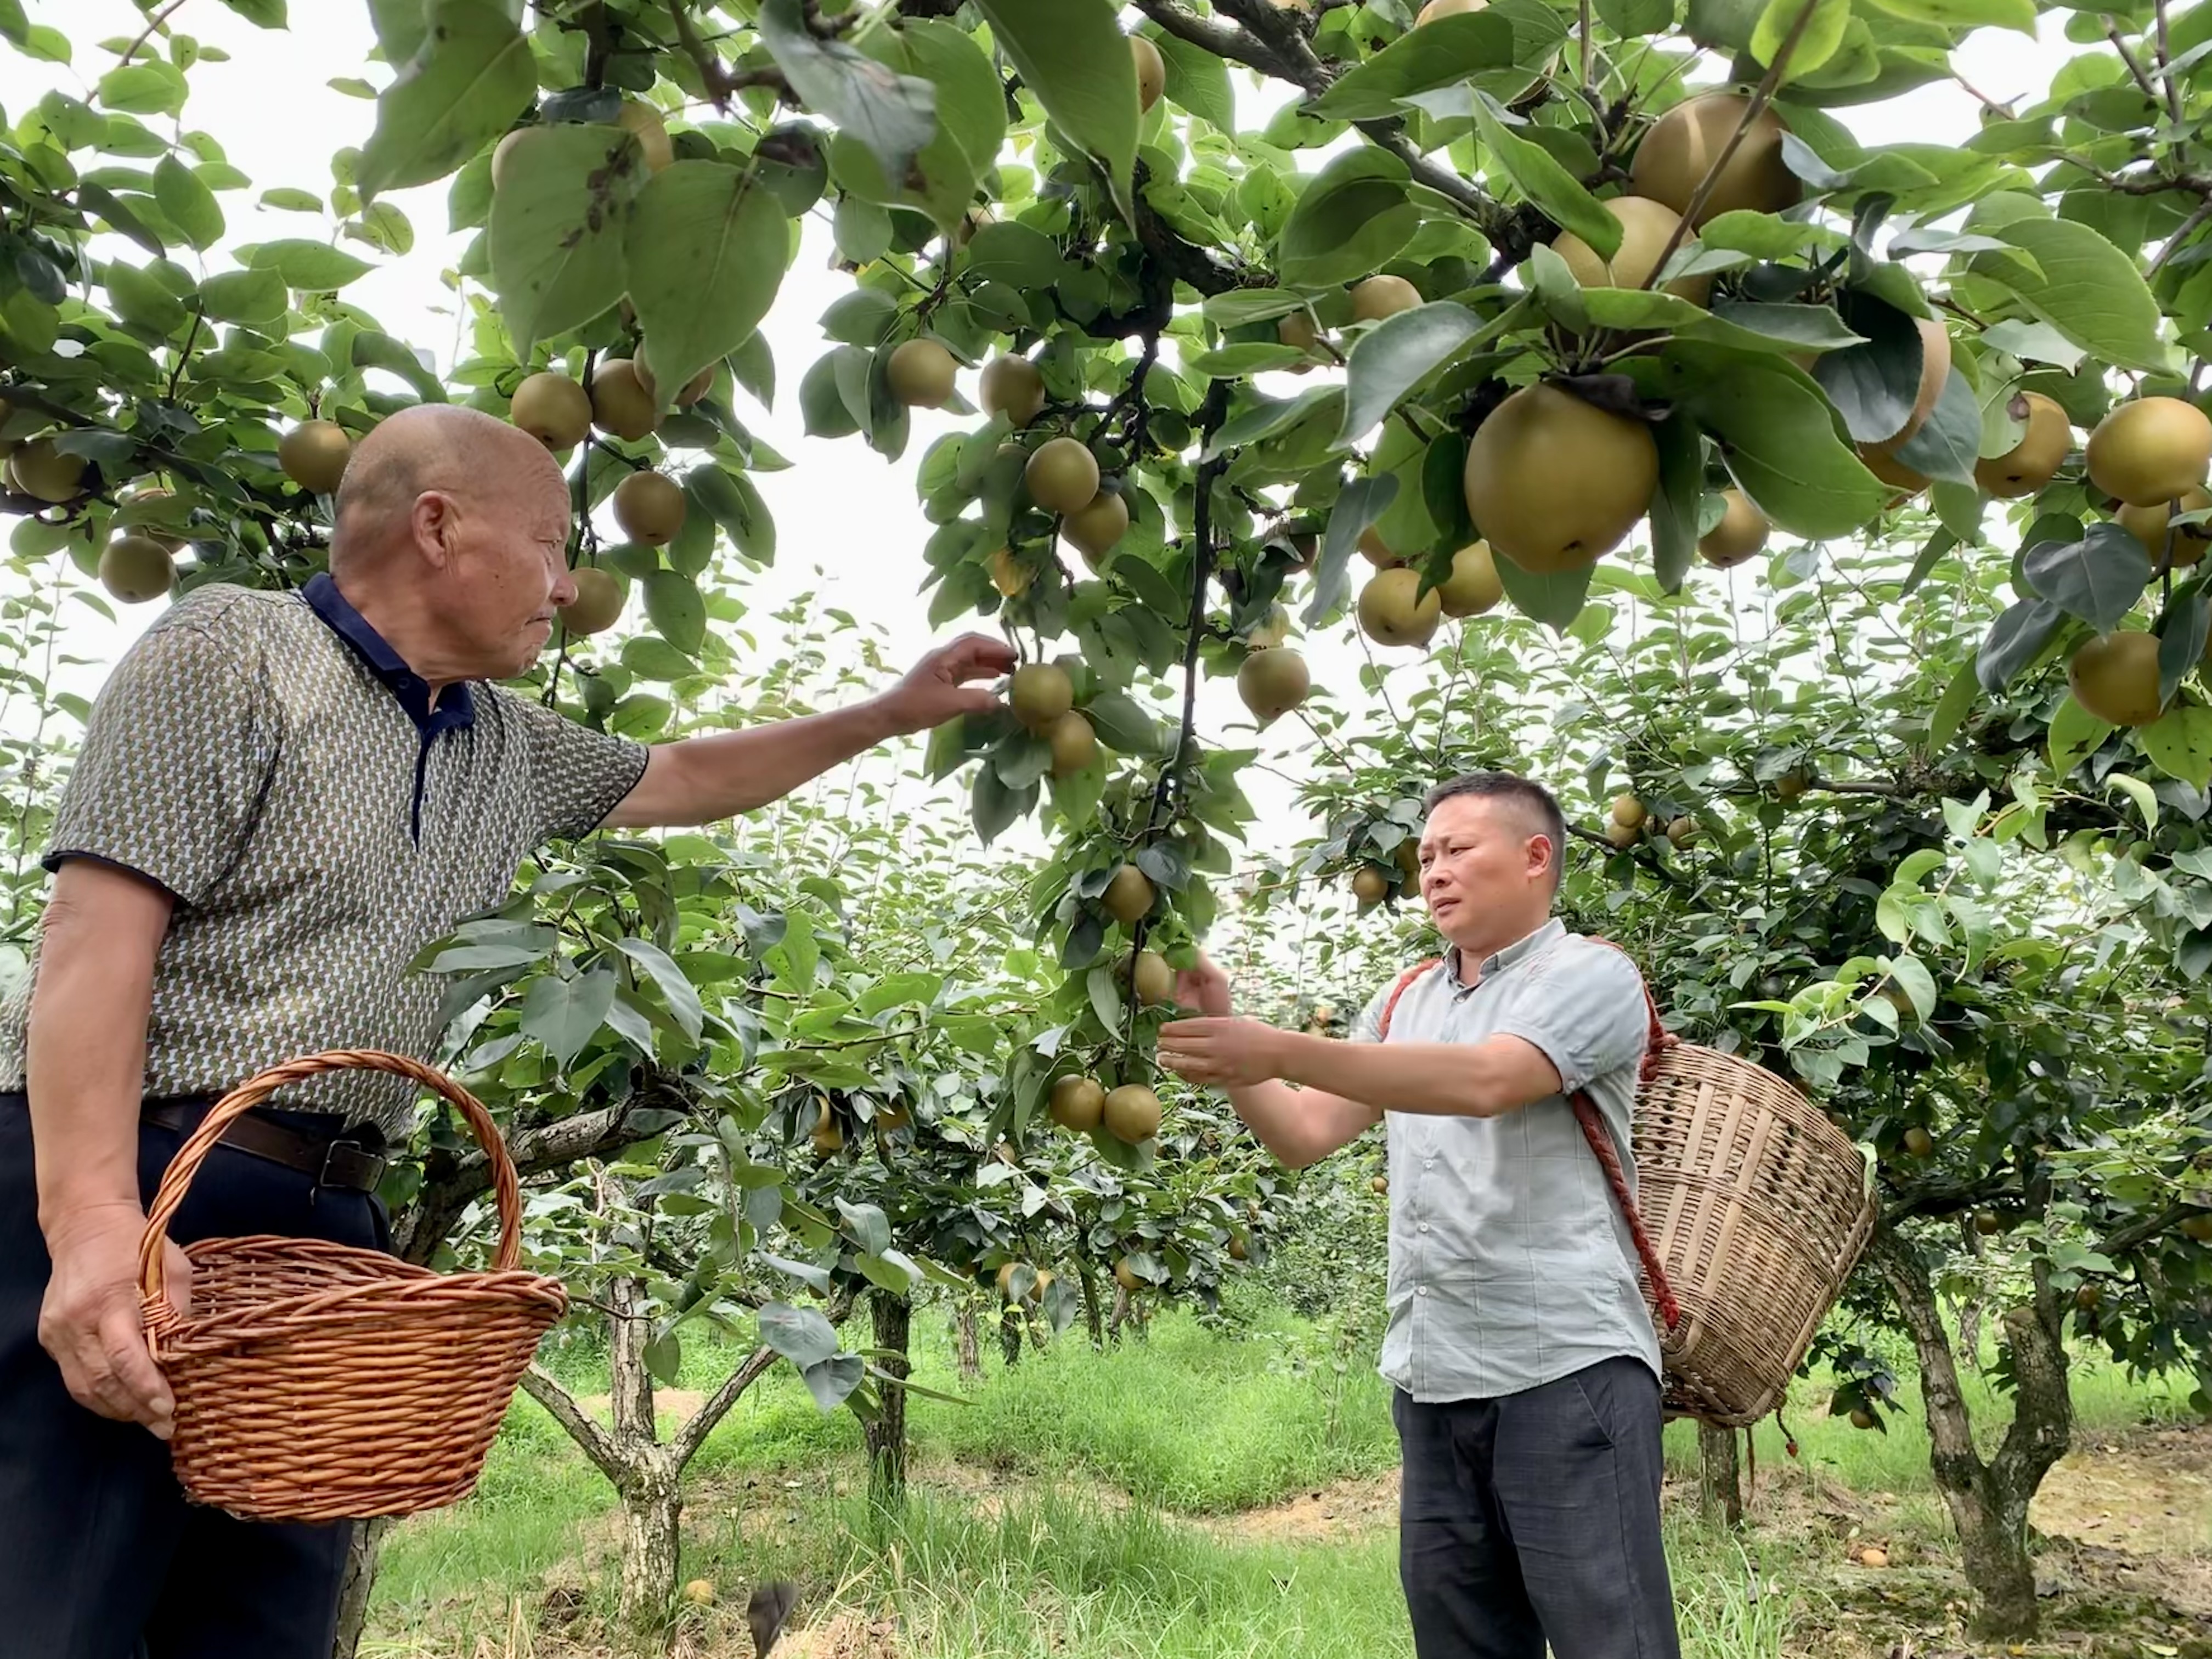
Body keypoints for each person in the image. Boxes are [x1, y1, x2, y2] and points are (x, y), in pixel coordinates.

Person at [0, 403, 1016, 1659]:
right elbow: (97, 942)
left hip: (332, 1228)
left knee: (261, 1625)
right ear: (439, 526)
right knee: (59, 1602)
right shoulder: (231, 652)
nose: (569, 586)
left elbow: (689, 775)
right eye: (551, 545)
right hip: (153, 1179)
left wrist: (886, 714)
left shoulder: (505, 745)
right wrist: (90, 1220)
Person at [1159, 770, 1680, 1659]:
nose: (1432, 871)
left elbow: (1488, 1082)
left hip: (1567, 1367)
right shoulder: (1404, 999)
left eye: (1457, 850)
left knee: (1610, 1639)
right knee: (1461, 1640)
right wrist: (1229, 1032)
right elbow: (1304, 1132)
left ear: (1534, 857)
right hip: (1434, 1376)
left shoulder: (1593, 975)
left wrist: (1278, 1046)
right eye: (1425, 855)